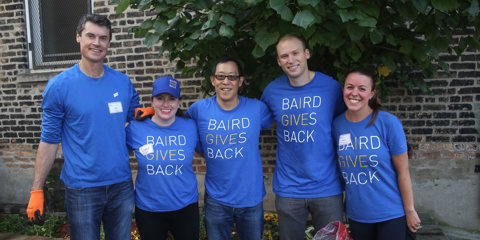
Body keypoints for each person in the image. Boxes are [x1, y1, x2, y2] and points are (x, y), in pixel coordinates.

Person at [26, 14, 140, 239]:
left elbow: (136, 123)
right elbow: (49, 141)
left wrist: (151, 117)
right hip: (82, 188)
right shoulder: (59, 86)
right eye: (91, 36)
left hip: (121, 184)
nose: (97, 43)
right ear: (78, 37)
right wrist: (36, 189)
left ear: (108, 43)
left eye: (103, 38)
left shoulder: (122, 82)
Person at [260, 34, 346, 239]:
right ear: (279, 61)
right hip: (289, 188)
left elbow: (344, 121)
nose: (291, 60)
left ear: (306, 54)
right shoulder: (272, 91)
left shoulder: (331, 88)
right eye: (284, 56)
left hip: (327, 186)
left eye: (295, 53)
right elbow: (264, 121)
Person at [186, 57, 273, 239]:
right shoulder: (198, 110)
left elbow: (282, 120)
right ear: (213, 80)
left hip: (251, 197)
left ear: (240, 81)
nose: (226, 82)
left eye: (232, 77)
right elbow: (182, 132)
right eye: (220, 76)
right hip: (217, 198)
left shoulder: (257, 108)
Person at [332, 69, 421, 240]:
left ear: (372, 94)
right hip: (357, 214)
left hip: (391, 213)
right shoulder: (337, 125)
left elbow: (403, 172)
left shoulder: (388, 122)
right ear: (343, 89)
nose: (354, 93)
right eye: (350, 87)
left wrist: (409, 210)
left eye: (362, 89)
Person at [126, 76, 200, 240]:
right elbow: (117, 152)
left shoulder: (191, 126)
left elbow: (205, 150)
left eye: (171, 99)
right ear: (152, 101)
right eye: (160, 98)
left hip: (185, 206)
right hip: (149, 209)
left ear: (179, 102)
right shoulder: (136, 128)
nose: (166, 104)